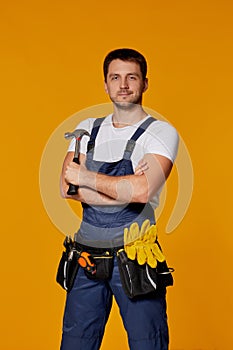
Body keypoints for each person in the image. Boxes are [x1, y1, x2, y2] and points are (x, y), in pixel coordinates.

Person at [60, 48, 179, 350]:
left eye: (131, 77)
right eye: (116, 77)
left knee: (147, 343)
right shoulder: (86, 129)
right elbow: (67, 189)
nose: (123, 84)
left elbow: (142, 191)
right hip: (86, 258)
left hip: (135, 259)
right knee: (76, 343)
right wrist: (123, 187)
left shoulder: (160, 133)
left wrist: (85, 177)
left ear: (145, 83)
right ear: (105, 84)